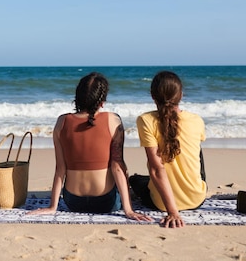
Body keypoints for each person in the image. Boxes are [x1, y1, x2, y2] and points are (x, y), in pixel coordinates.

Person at [30, 72, 151, 221]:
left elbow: (60, 168)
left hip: (73, 202)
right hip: (107, 202)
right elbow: (117, 167)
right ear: (102, 101)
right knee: (132, 178)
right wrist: (128, 210)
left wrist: (52, 207)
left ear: (78, 97)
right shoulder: (113, 120)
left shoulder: (61, 122)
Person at [130, 70, 207, 228]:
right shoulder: (196, 120)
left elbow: (157, 169)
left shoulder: (146, 120)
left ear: (152, 96)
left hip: (160, 204)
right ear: (181, 95)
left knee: (135, 180)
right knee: (197, 150)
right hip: (196, 198)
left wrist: (173, 212)